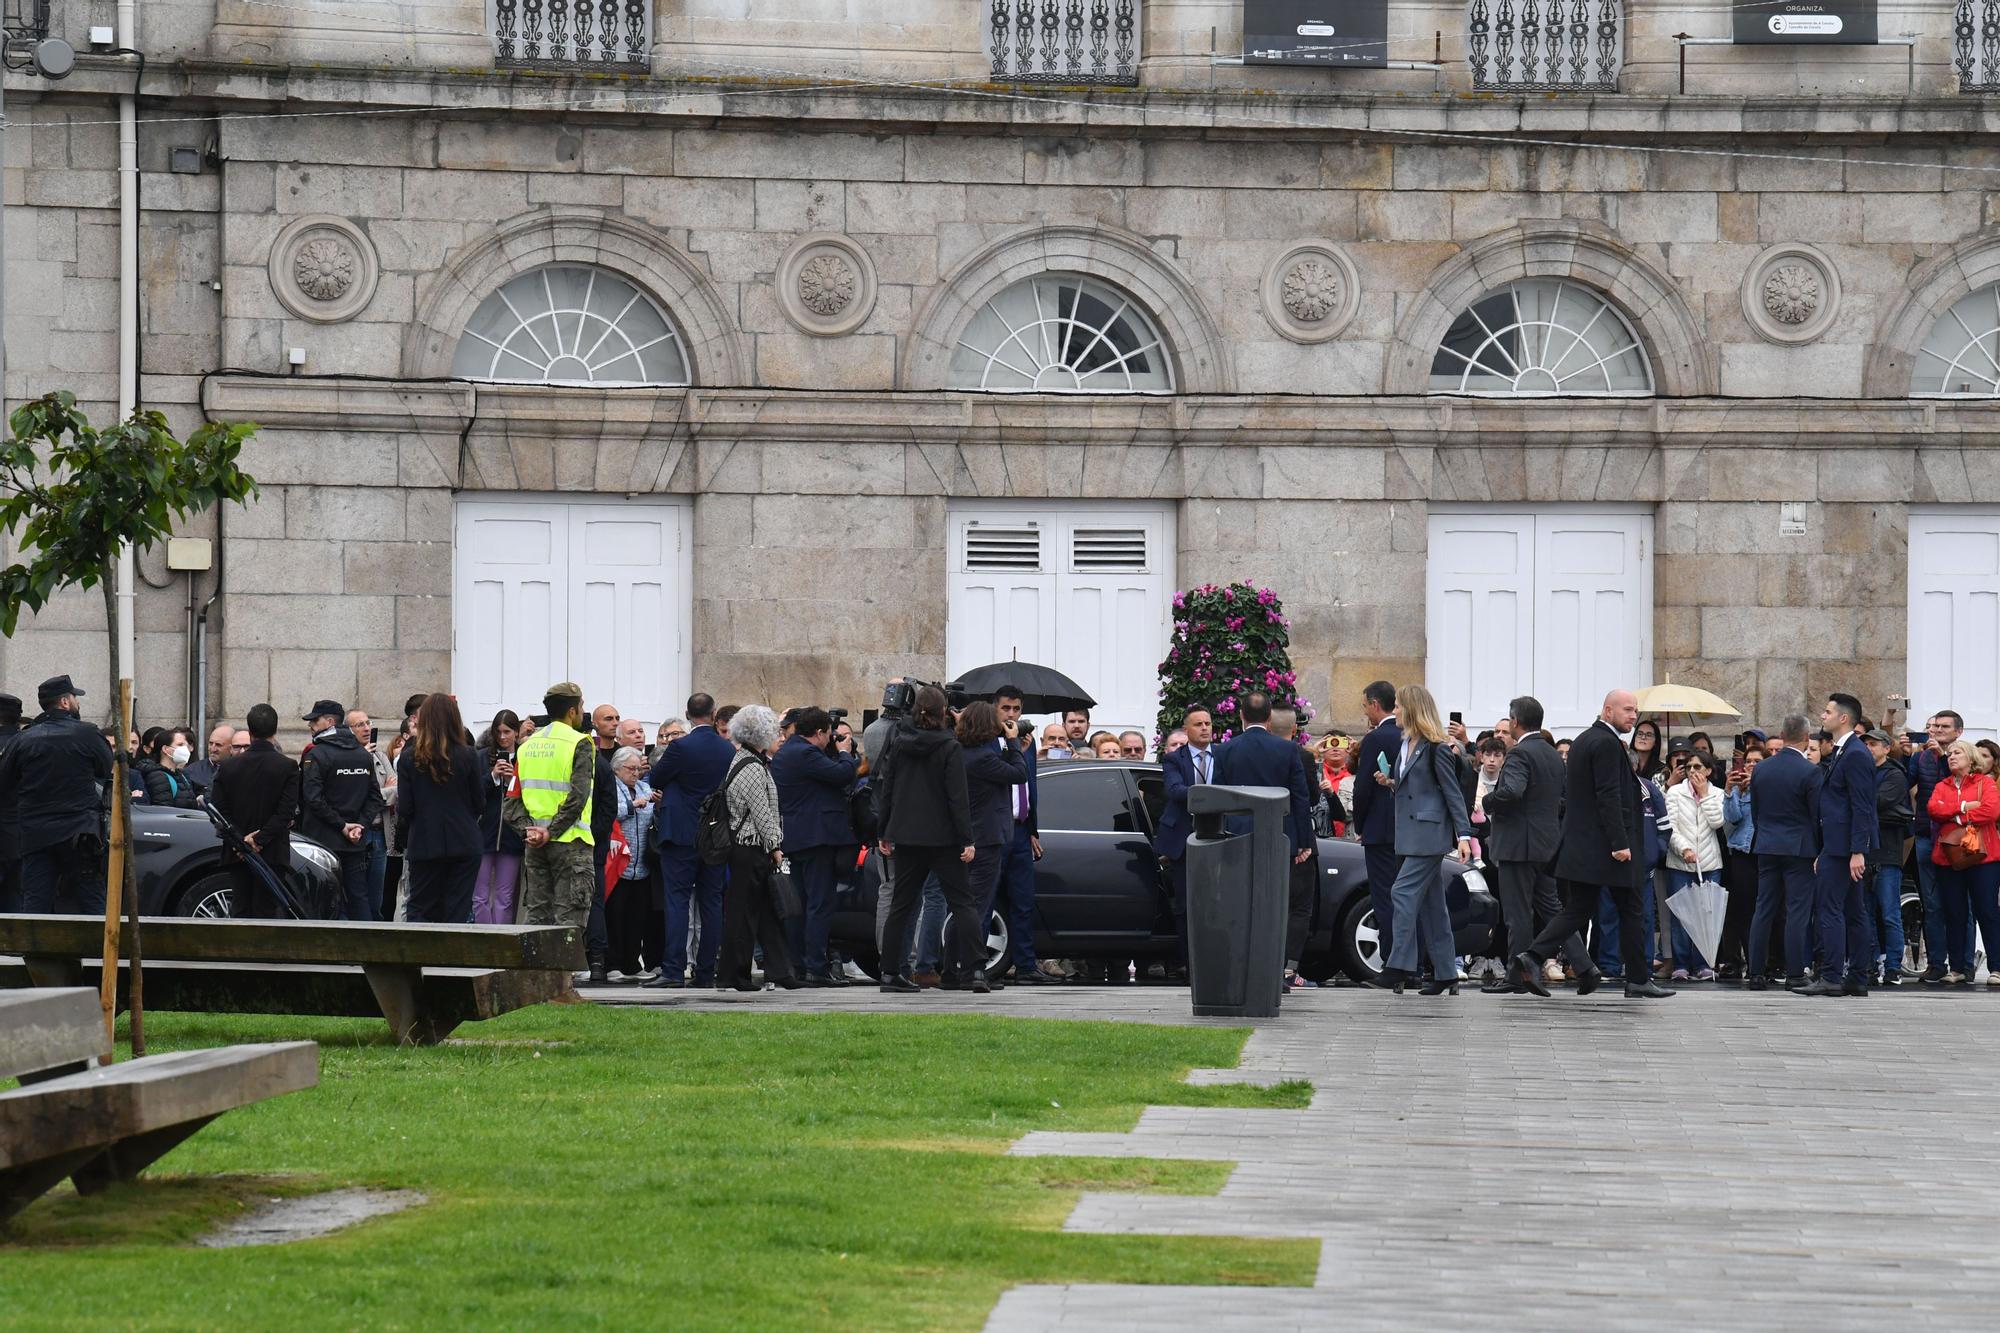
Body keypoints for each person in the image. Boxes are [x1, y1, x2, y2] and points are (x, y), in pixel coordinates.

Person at [1512, 689, 1669, 1000]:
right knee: (1629, 909)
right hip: (1607, 849)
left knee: (1581, 909)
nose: (1633, 716)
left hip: (1587, 846)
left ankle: (1532, 957)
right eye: (1626, 710)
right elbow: (1609, 796)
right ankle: (1637, 979)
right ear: (1607, 711)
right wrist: (1620, 843)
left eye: (1635, 710)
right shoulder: (1606, 743)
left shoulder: (1587, 739)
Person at [873, 685, 975, 995]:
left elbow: (887, 787)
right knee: (961, 902)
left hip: (906, 834)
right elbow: (957, 796)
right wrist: (965, 838)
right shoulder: (949, 746)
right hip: (942, 836)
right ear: (944, 711)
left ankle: (890, 972)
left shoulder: (900, 741)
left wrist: (884, 830)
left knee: (902, 905)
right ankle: (977, 968)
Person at [1373, 685, 1470, 995]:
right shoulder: (1407, 744)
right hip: (1410, 835)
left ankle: (1399, 966)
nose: (1395, 711)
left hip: (1429, 836)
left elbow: (1452, 792)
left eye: (1399, 706)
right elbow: (1415, 788)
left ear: (1412, 709)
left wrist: (1464, 835)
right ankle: (1446, 974)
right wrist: (1391, 782)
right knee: (1432, 906)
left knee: (1401, 893)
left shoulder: (1436, 746)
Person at [1481, 695, 1582, 993]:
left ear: (1514, 721)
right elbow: (1561, 800)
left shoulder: (1519, 753)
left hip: (1518, 846)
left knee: (1518, 914)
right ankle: (1585, 965)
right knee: (1552, 910)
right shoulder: (1552, 754)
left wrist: (1488, 801)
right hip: (1546, 845)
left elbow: (1511, 791)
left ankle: (1518, 976)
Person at [505, 684, 601, 978]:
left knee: (538, 913)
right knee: (569, 915)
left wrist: (530, 832)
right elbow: (578, 796)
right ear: (572, 711)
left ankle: (533, 980)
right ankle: (561, 985)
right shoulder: (580, 743)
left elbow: (511, 802)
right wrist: (552, 830)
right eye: (581, 707)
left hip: (535, 844)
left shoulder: (527, 745)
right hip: (570, 841)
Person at [0, 676, 111, 914]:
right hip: (81, 833)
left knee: (36, 902)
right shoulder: (88, 734)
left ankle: (36, 951)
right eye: (74, 698)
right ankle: (98, 950)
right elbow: (104, 768)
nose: (77, 703)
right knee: (91, 900)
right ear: (64, 702)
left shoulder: (23, 740)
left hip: (36, 834)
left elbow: (6, 781)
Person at [645, 693, 734, 989]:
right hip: (714, 834)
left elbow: (656, 778)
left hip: (681, 830)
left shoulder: (680, 746)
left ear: (687, 714)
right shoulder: (726, 749)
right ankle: (706, 971)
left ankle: (673, 970)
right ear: (714, 713)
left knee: (677, 901)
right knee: (711, 903)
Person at [710, 706, 802, 992]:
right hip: (750, 849)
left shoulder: (749, 760)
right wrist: (775, 847)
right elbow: (762, 813)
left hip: (750, 848)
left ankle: (779, 971)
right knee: (744, 914)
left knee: (763, 913)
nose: (779, 736)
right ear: (760, 734)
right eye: (775, 732)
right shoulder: (751, 766)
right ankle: (735, 975)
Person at [771, 705, 861, 986]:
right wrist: (845, 754)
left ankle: (799, 964)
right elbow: (842, 775)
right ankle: (816, 968)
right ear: (821, 732)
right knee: (819, 904)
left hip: (797, 837)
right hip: (817, 838)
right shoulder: (806, 753)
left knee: (800, 905)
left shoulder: (788, 751)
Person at [1795, 693, 1877, 997]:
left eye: (1827, 712)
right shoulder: (1845, 751)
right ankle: (1856, 977)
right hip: (1838, 845)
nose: (1822, 716)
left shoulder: (1854, 753)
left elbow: (1862, 804)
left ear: (1843, 718)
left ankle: (1831, 975)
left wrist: (1858, 850)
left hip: (1845, 847)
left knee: (1830, 909)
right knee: (1854, 911)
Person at [1744, 715, 1822, 991]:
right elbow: (1816, 816)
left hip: (1766, 844)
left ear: (1781, 734)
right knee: (1797, 911)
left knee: (1763, 908)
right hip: (1799, 847)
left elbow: (1756, 811)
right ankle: (1794, 973)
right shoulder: (1811, 771)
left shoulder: (1762, 769)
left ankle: (1755, 972)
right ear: (1806, 738)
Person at [396, 693, 488, 925]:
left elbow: (406, 807)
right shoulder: (468, 755)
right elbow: (479, 802)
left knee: (420, 906)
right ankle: (452, 959)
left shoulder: (409, 758)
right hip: (464, 839)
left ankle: (419, 956)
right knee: (458, 907)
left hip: (425, 839)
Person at [957, 701, 1028, 989]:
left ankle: (958, 968)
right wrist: (1012, 744)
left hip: (976, 835)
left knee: (969, 905)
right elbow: (1018, 774)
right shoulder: (982, 758)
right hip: (984, 838)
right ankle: (971, 970)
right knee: (978, 906)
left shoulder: (963, 752)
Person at [297, 698, 385, 922]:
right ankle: (366, 948)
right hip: (354, 841)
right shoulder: (363, 754)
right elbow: (375, 797)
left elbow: (312, 799)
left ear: (328, 722)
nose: (310, 726)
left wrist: (343, 826)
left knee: (323, 897)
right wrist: (358, 826)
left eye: (314, 721)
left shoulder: (316, 754)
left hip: (322, 842)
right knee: (358, 896)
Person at [208, 703, 298, 919]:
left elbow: (219, 811)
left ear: (250, 733)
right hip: (272, 850)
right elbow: (285, 812)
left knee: (240, 907)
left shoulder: (228, 767)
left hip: (237, 853)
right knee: (267, 910)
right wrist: (261, 839)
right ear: (275, 732)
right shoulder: (288, 766)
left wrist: (241, 842)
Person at [1926, 738, 1997, 986]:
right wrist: (1965, 808)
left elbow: (1991, 811)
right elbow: (1934, 808)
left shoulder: (1985, 783)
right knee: (1954, 912)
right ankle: (1957, 968)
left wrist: (1954, 814)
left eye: (1957, 753)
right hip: (1949, 857)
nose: (1951, 756)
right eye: (1949, 754)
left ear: (1970, 758)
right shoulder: (1942, 785)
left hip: (1983, 857)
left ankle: (1996, 968)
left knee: (1987, 910)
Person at [991, 687, 1047, 985]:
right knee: (987, 899)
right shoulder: (989, 742)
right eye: (1006, 709)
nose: (1011, 714)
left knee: (1024, 900)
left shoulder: (1027, 742)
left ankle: (1027, 965)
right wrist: (1015, 750)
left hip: (1021, 829)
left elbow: (1030, 786)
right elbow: (1001, 776)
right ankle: (975, 964)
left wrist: (1033, 830)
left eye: (1015, 709)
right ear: (995, 709)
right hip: (996, 829)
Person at [1155, 705, 1215, 965]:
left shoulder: (1223, 756)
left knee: (1215, 905)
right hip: (1183, 840)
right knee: (1186, 905)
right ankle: (1190, 964)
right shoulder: (1174, 759)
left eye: (1208, 723)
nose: (1204, 728)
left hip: (1218, 839)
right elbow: (1175, 791)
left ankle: (1214, 962)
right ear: (1187, 730)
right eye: (1198, 724)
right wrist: (1215, 797)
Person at [1270, 707, 1324, 990]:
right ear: (1294, 730)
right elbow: (1310, 798)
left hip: (1263, 838)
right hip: (1297, 840)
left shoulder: (1257, 754)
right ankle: (1290, 969)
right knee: (1299, 908)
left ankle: (1266, 965)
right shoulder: (1301, 756)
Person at [1351, 680, 1402, 969]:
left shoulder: (1376, 739)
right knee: (1406, 898)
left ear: (1374, 704)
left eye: (1365, 706)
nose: (1365, 713)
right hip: (1408, 830)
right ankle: (1413, 962)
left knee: (1384, 897)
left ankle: (1391, 960)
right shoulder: (1410, 734)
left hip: (1380, 831)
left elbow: (1363, 789)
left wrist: (1360, 825)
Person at [1664, 750, 1725, 981]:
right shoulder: (1675, 792)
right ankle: (1680, 964)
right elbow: (1670, 827)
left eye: (1698, 767)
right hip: (1680, 863)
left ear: (1709, 771)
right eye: (1689, 767)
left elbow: (1717, 821)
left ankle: (1704, 963)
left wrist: (1704, 794)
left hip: (1709, 863)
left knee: (1707, 914)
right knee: (1681, 915)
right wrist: (1684, 849)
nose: (1692, 771)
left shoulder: (1717, 794)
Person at [1911, 710, 1962, 982]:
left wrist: (1943, 758)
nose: (1937, 731)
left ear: (1958, 732)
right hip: (1925, 836)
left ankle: (1961, 964)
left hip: (1956, 838)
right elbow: (1906, 782)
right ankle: (1936, 963)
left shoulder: (1963, 756)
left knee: (1958, 904)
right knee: (1931, 905)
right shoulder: (1921, 757)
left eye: (1944, 726)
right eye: (1934, 726)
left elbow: (1953, 784)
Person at [1861, 728, 1910, 986]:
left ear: (1885, 748)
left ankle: (1893, 967)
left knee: (1890, 913)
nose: (1868, 748)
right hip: (1864, 853)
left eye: (1873, 744)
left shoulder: (1894, 774)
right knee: (1865, 912)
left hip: (1887, 853)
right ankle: (1869, 965)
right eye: (1865, 744)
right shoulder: (1860, 772)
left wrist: (1858, 801)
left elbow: (1878, 801)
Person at [607, 745, 659, 981]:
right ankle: (613, 964)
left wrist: (657, 803)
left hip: (642, 865)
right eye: (631, 769)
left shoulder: (643, 787)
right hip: (617, 863)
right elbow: (607, 812)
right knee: (616, 915)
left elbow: (651, 814)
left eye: (639, 769)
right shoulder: (611, 787)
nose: (636, 773)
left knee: (637, 917)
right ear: (617, 768)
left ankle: (632, 964)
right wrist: (632, 805)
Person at [474, 710, 525, 925]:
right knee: (479, 896)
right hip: (483, 833)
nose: (503, 737)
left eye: (507, 732)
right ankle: (483, 942)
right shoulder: (482, 756)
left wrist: (512, 779)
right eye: (498, 732)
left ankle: (502, 942)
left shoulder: (525, 756)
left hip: (511, 836)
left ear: (516, 732)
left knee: (505, 897)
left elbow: (528, 795)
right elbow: (474, 793)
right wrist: (494, 777)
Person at [344, 709, 395, 922]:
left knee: (377, 899)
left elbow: (397, 792)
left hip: (379, 833)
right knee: (356, 897)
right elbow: (354, 797)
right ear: (348, 730)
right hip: (357, 832)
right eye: (360, 725)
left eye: (368, 723)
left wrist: (375, 796)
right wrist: (383, 793)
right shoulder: (347, 758)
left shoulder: (381, 757)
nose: (367, 728)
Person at [1717, 747, 1762, 978]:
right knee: (1741, 910)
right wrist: (1731, 789)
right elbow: (1733, 817)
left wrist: (1756, 785)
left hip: (1761, 852)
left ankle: (1758, 962)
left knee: (1759, 910)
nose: (1751, 765)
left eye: (1757, 761)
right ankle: (1743, 960)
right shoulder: (1739, 789)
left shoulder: (1766, 786)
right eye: (1748, 761)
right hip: (1741, 852)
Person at [135, 727, 200, 809]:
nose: (185, 749)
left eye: (186, 745)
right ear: (165, 749)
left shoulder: (182, 775)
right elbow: (164, 810)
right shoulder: (158, 777)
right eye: (180, 745)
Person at [182, 722, 235, 792]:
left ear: (231, 748)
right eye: (210, 743)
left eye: (218, 745)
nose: (213, 749)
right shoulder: (192, 771)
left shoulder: (241, 770)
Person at [1630, 717, 1663, 782]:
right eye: (1640, 733)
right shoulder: (1625, 763)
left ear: (1655, 742)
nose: (1643, 737)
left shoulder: (1661, 769)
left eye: (1648, 735)